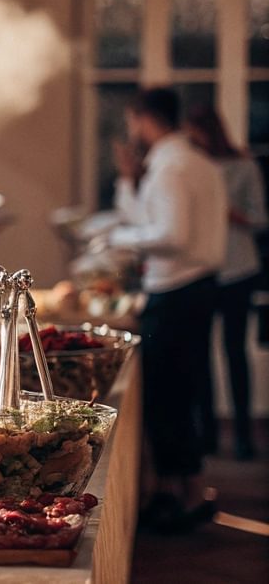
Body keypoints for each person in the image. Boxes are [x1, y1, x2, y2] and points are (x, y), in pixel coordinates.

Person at [107, 87, 228, 533]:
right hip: (192, 288)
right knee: (176, 393)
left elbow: (170, 234)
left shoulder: (174, 165)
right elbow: (143, 217)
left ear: (142, 118)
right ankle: (176, 492)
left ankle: (186, 497)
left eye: (131, 122)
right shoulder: (187, 161)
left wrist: (116, 241)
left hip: (177, 290)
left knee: (169, 396)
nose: (130, 131)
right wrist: (127, 179)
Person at [185, 104, 266, 460]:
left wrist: (230, 213)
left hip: (238, 270)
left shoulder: (243, 166)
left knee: (235, 352)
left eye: (196, 133)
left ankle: (244, 436)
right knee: (200, 353)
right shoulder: (191, 170)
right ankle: (206, 435)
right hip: (202, 271)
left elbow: (261, 219)